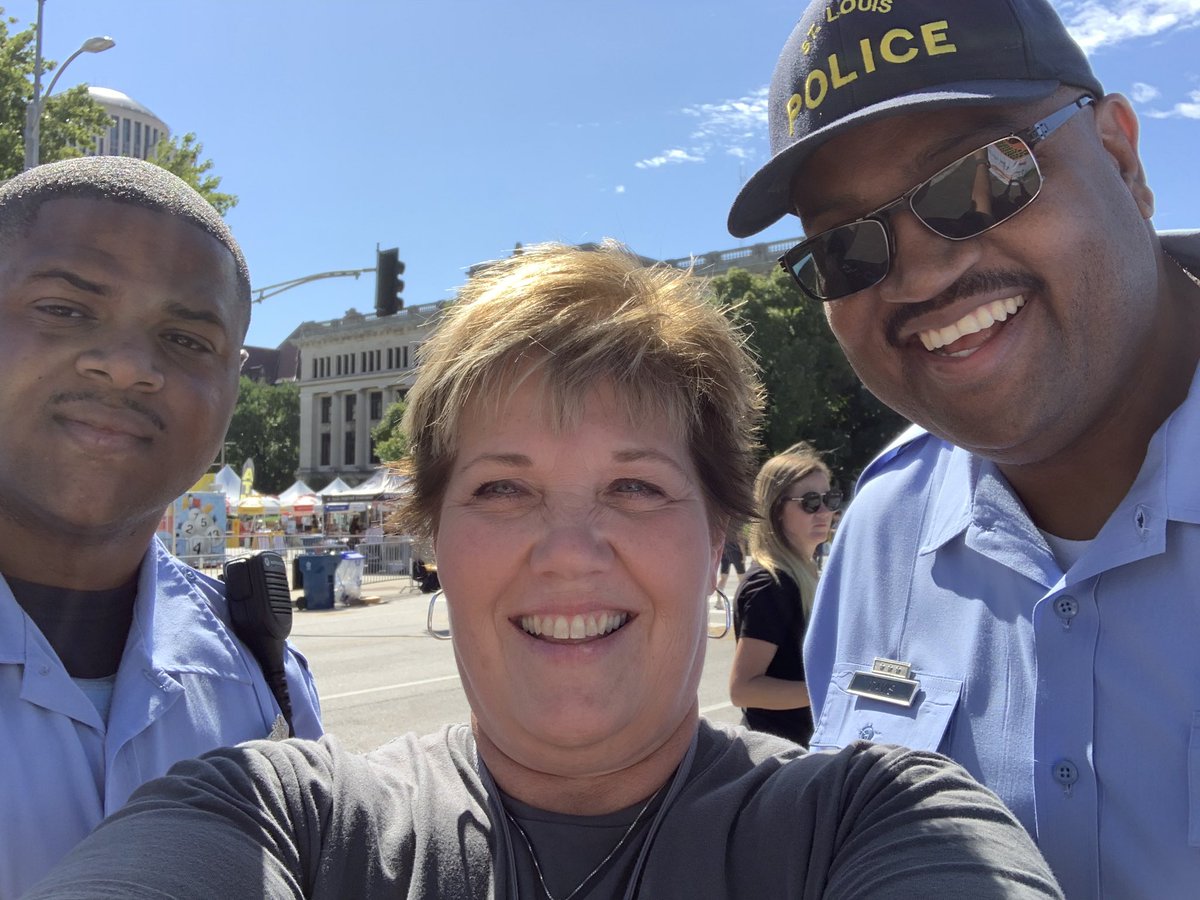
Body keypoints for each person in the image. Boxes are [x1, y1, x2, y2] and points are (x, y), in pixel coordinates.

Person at [24, 243, 1062, 898]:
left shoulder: (875, 823)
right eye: (504, 490)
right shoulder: (276, 819)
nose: (569, 552)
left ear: (717, 537)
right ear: (433, 538)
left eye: (635, 488)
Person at [727, 1, 1200, 895]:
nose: (919, 274)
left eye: (983, 178)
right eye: (844, 247)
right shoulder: (878, 533)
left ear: (1121, 156)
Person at [0, 156, 324, 896]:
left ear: (234, 384)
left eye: (186, 340)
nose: (126, 367)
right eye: (64, 308)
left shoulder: (266, 680)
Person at [728, 444, 839, 747]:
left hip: (804, 747)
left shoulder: (804, 574)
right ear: (776, 509)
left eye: (830, 499)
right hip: (779, 757)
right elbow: (743, 688)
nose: (825, 512)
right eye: (810, 502)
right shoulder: (770, 584)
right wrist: (833, 689)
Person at [715, 524, 746, 597]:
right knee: (742, 579)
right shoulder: (737, 525)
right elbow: (740, 541)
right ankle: (743, 597)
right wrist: (744, 555)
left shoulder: (722, 526)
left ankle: (718, 601)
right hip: (736, 554)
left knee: (723, 579)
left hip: (725, 554)